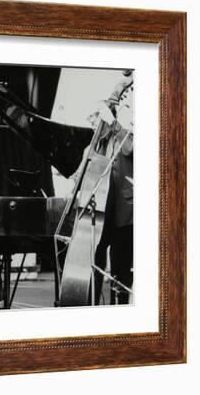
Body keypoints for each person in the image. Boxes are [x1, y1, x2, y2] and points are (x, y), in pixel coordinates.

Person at [94, 73, 134, 305]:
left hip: (125, 207)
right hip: (104, 202)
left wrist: (112, 121)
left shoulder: (129, 127)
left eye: (125, 102)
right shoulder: (117, 125)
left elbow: (130, 148)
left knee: (120, 267)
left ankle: (119, 311)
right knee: (97, 256)